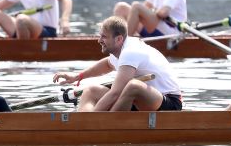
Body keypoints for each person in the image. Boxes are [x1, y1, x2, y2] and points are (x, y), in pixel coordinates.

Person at [52, 16, 182, 112]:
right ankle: (82, 126)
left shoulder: (130, 52)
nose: (99, 41)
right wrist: (78, 76)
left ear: (119, 39)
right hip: (141, 101)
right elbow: (107, 64)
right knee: (90, 90)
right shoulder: (121, 49)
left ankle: (96, 124)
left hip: (169, 101)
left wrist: (93, 117)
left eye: (104, 37)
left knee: (133, 86)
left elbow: (115, 93)